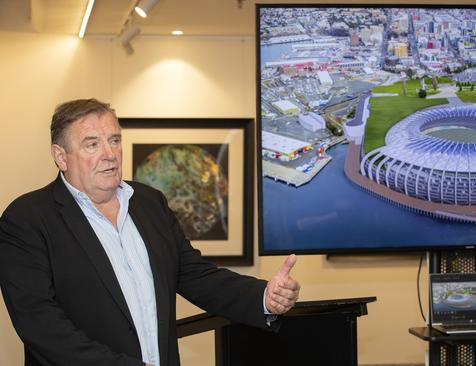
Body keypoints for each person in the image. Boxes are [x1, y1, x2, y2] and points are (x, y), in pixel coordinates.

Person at [0, 98, 301, 366]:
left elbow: (194, 275)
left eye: (114, 140)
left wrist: (263, 297)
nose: (110, 154)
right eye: (92, 144)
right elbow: (40, 324)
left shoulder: (148, 202)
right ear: (61, 156)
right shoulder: (27, 219)